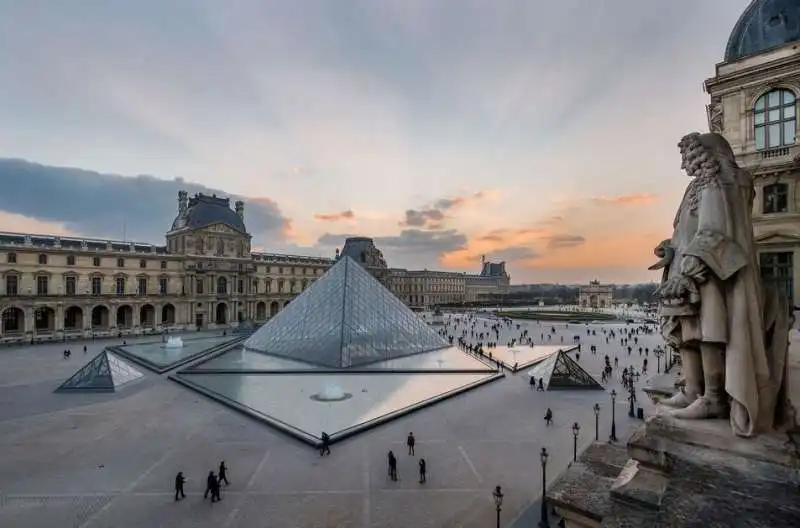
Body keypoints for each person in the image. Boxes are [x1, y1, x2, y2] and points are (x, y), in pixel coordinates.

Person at [654, 132, 790, 436]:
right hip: (687, 265)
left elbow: (715, 230)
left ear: (706, 154)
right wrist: (670, 248)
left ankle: (713, 397)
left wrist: (692, 265)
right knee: (687, 332)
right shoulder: (698, 186)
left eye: (689, 158)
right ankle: (693, 389)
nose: (685, 164)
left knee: (709, 333)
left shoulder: (725, 181)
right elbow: (686, 231)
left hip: (712, 267)